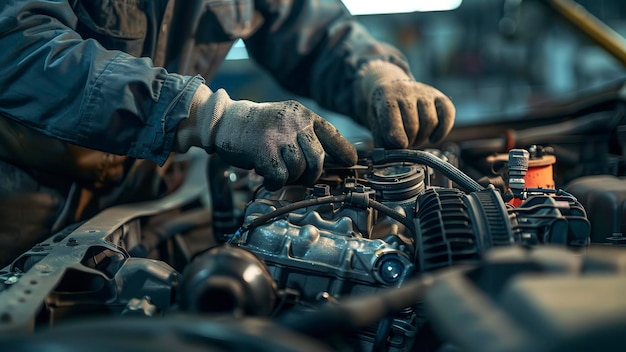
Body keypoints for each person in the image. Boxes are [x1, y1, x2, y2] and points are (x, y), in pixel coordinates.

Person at [0, 0, 455, 266]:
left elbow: (311, 30)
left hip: (140, 196)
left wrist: (375, 75)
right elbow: (19, 46)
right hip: (23, 205)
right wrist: (207, 115)